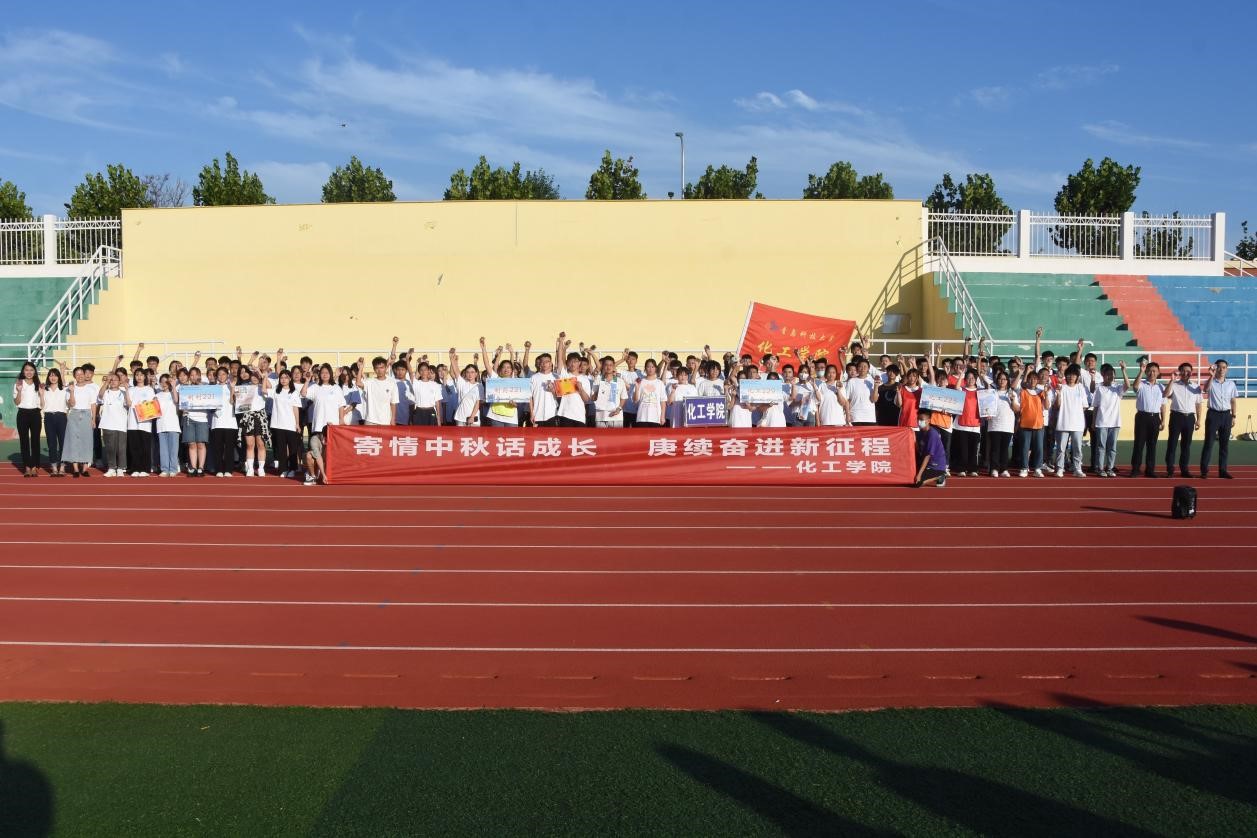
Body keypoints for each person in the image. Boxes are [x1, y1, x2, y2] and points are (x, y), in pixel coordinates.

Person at [1163, 362, 1203, 479]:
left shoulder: (1196, 386)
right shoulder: (1174, 384)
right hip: (1176, 416)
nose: (1186, 373)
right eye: (1183, 371)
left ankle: (1184, 470)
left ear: (1191, 373)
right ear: (1180, 372)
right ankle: (1170, 470)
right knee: (1172, 444)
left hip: (1190, 418)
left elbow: (1198, 404)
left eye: (1188, 371)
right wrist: (1171, 380)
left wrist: (1198, 420)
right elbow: (1165, 394)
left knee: (1186, 446)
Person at [1090, 362, 1130, 478]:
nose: (1110, 376)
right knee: (1101, 447)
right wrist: (1093, 422)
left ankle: (1110, 468)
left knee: (1112, 448)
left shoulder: (1117, 388)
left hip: (1115, 422)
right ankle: (1100, 468)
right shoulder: (1099, 388)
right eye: (1108, 374)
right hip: (1101, 422)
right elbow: (1096, 407)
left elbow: (1128, 385)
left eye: (1112, 374)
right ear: (1103, 375)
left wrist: (1123, 370)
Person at [1200, 359, 1238, 479]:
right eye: (1219, 367)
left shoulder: (1231, 384)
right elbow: (1205, 389)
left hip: (1226, 415)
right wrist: (1211, 375)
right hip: (1213, 415)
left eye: (1224, 367)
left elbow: (1233, 401)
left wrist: (1233, 416)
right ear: (1215, 368)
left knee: (1224, 445)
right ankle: (1204, 471)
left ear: (1227, 369)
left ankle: (1223, 470)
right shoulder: (1210, 381)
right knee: (1209, 443)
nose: (1221, 369)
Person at [1129, 360, 1165, 478]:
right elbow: (1135, 387)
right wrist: (1141, 371)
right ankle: (1135, 469)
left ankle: (1150, 470)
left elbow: (1163, 405)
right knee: (1139, 444)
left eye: (1154, 371)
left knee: (1152, 445)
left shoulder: (1161, 387)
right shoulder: (1141, 384)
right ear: (1146, 372)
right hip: (1142, 417)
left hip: (1155, 418)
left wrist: (1163, 420)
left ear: (1158, 372)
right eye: (1149, 371)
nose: (1152, 373)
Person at [1052, 363, 1088, 478]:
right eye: (1069, 375)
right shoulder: (1061, 387)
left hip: (1077, 424)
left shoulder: (1080, 388)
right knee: (1061, 448)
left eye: (1073, 375)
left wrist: (1075, 413)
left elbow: (1084, 406)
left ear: (1077, 377)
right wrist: (1058, 394)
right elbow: (1057, 405)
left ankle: (1077, 468)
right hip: (1063, 422)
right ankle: (1060, 469)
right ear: (1065, 376)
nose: (1071, 377)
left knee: (1077, 448)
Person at [269, 368, 303, 478]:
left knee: (292, 448)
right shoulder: (276, 391)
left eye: (286, 378)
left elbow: (295, 408)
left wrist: (297, 424)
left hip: (290, 424)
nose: (283, 380)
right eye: (281, 378)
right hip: (278, 424)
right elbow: (264, 390)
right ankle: (283, 469)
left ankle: (292, 469)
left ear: (290, 379)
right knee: (281, 448)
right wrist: (264, 377)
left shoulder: (294, 392)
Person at [97, 372, 130, 477]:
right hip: (108, 424)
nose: (113, 382)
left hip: (121, 424)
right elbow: (100, 395)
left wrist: (127, 389)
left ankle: (121, 468)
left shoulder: (124, 393)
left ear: (120, 381)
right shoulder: (106, 392)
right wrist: (106, 382)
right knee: (110, 447)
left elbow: (129, 404)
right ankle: (111, 467)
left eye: (115, 380)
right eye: (111, 380)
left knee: (121, 448)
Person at [1016, 369, 1048, 478]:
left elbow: (1047, 406)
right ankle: (1024, 468)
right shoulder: (1023, 392)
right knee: (1025, 448)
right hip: (1025, 424)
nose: (1033, 380)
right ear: (1028, 380)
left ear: (1037, 380)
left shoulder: (1041, 392)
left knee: (1039, 448)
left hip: (1039, 424)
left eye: (1035, 378)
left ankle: (1037, 468)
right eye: (1031, 378)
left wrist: (1047, 394)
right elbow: (1018, 407)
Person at [13, 361, 42, 477]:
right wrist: (19, 390)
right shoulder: (19, 383)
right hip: (22, 414)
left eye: (31, 370)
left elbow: (41, 403)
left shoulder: (38, 384)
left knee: (35, 441)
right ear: (23, 371)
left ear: (34, 371)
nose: (29, 372)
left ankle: (34, 466)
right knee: (24, 441)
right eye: (26, 370)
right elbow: (16, 402)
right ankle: (27, 467)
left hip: (35, 414)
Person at [208, 367, 238, 478]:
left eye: (223, 374)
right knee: (218, 448)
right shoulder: (212, 388)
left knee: (229, 448)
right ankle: (219, 469)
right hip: (217, 422)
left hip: (230, 422)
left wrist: (232, 389)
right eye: (219, 374)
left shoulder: (231, 386)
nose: (221, 376)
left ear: (227, 375)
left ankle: (229, 469)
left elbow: (233, 402)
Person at [986, 370, 1017, 477]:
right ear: (997, 380)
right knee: (995, 448)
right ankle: (994, 469)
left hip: (1007, 425)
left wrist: (1012, 400)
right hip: (994, 425)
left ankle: (1004, 469)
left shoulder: (1012, 393)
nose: (1002, 381)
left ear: (1007, 381)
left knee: (1004, 449)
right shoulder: (992, 393)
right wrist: (987, 414)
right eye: (1000, 379)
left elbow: (1016, 409)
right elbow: (986, 407)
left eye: (1004, 379)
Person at [125, 368, 155, 477]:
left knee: (145, 446)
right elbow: (129, 404)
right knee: (134, 447)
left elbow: (152, 404)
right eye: (137, 375)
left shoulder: (149, 389)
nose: (139, 377)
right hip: (132, 422)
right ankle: (135, 468)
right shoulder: (131, 389)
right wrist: (127, 390)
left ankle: (145, 469)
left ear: (145, 377)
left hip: (145, 422)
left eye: (141, 375)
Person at [154, 373, 182, 477]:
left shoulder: (174, 393)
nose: (164, 384)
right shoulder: (157, 395)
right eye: (162, 382)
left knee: (173, 449)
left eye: (166, 381)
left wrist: (174, 386)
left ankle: (173, 468)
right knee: (163, 450)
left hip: (173, 425)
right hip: (161, 425)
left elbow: (176, 400)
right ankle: (165, 469)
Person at [42, 367, 68, 477]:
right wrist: (41, 394)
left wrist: (62, 371)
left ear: (59, 377)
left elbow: (64, 382)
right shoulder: (45, 389)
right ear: (48, 377)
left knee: (63, 443)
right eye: (51, 375)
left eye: (55, 375)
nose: (53, 377)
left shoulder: (64, 388)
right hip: (48, 417)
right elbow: (42, 405)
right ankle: (53, 467)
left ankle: (62, 467)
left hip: (61, 417)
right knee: (51, 443)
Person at [913, 409, 948, 488]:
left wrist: (919, 474)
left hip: (935, 466)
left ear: (928, 421)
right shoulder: (920, 432)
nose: (919, 422)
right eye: (918, 419)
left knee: (917, 483)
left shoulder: (932, 434)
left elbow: (927, 456)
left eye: (921, 420)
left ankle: (940, 475)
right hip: (926, 463)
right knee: (910, 476)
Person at [633, 358, 668, 428]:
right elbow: (635, 400)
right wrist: (637, 387)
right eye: (648, 367)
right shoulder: (640, 381)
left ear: (655, 368)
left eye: (652, 367)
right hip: (642, 417)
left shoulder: (660, 383)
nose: (650, 369)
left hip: (655, 418)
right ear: (645, 368)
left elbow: (663, 401)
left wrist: (662, 416)